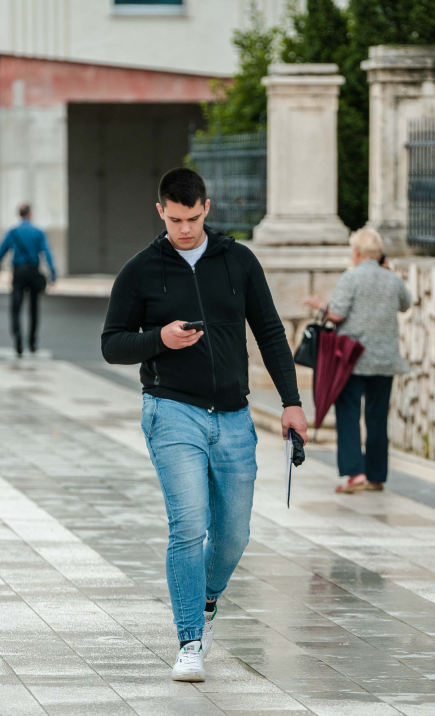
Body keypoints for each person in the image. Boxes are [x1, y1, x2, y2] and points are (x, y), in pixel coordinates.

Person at [102, 167, 308, 682]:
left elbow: (269, 331)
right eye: (174, 219)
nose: (185, 229)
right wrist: (159, 339)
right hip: (171, 411)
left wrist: (291, 401)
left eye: (192, 218)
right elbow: (111, 344)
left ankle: (208, 599)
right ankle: (189, 638)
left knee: (234, 535)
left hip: (235, 418)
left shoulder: (237, 261)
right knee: (188, 526)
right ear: (160, 212)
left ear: (207, 209)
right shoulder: (141, 270)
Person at [303, 228, 413, 494]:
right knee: (377, 418)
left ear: (357, 252)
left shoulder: (351, 278)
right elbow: (406, 304)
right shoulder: (392, 280)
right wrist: (388, 270)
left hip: (352, 359)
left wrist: (320, 305)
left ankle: (355, 474)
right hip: (385, 360)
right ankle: (376, 476)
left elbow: (337, 314)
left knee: (349, 413)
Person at [0, 203, 58, 356]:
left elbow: (0, 252)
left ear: (19, 214)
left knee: (16, 307)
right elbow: (47, 253)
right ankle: (32, 341)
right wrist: (53, 273)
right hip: (33, 271)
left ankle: (18, 339)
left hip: (18, 272)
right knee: (34, 308)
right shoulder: (38, 232)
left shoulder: (13, 232)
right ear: (30, 214)